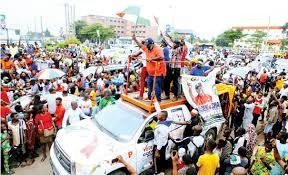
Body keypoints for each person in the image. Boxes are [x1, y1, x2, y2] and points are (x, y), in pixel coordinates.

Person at [132, 35, 166, 102]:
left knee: (157, 88)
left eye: (148, 45)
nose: (146, 46)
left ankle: (158, 101)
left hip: (158, 72)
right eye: (146, 45)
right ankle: (150, 99)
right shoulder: (147, 48)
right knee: (149, 87)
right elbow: (141, 46)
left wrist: (151, 59)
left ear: (152, 44)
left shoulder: (158, 49)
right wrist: (135, 39)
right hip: (151, 72)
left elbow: (161, 57)